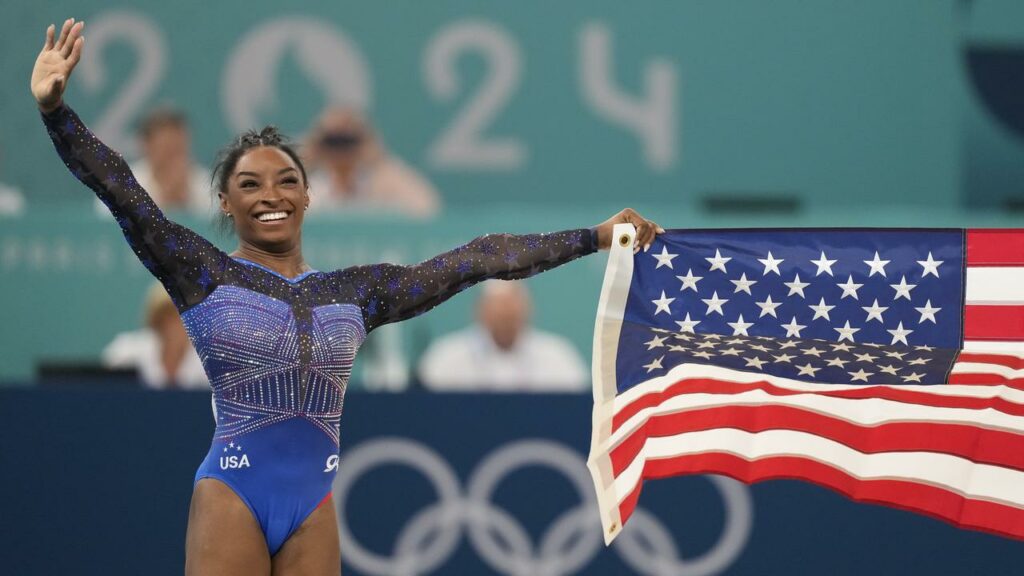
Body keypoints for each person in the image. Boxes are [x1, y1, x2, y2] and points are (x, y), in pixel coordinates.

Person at [32, 18, 662, 576]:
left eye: (287, 180)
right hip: (232, 494)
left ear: (308, 195)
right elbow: (122, 192)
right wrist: (57, 113)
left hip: (314, 502)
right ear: (224, 202)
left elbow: (476, 259)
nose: (270, 195)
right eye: (249, 185)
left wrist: (595, 236)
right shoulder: (202, 273)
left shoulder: (356, 293)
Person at [418, 280, 588, 391]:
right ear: (480, 311)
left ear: (528, 310)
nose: (506, 315)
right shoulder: (446, 357)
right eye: (498, 308)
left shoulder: (558, 356)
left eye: (512, 308)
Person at [304, 106, 441, 218]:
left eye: (349, 141)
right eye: (332, 141)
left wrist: (380, 161)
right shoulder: (312, 191)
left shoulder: (383, 187)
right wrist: (306, 160)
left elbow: (427, 208)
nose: (341, 150)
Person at [93, 105, 212, 216]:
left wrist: (185, 200)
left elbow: (215, 222)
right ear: (146, 146)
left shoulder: (207, 184)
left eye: (178, 148)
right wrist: (165, 200)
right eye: (166, 149)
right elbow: (104, 223)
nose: (172, 159)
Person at [101, 281, 209, 390]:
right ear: (156, 320)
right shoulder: (127, 352)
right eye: (167, 316)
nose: (174, 324)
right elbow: (102, 383)